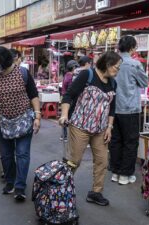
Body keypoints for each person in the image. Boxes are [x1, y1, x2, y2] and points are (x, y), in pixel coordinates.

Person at [59, 51, 122, 207]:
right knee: (74, 161)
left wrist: (109, 127)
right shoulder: (87, 75)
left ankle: (96, 192)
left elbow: (112, 107)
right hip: (80, 125)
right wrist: (64, 115)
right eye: (116, 67)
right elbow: (69, 95)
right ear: (107, 64)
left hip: (100, 129)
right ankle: (61, 190)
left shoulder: (113, 83)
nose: (117, 70)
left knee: (102, 161)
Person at [0, 46, 41, 201]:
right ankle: (10, 181)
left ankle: (20, 186)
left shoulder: (23, 73)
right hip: (2, 122)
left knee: (22, 154)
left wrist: (38, 116)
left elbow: (33, 95)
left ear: (5, 60)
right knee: (6, 156)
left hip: (24, 120)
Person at [109, 36, 148, 185]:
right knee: (130, 142)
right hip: (130, 108)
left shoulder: (112, 62)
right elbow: (144, 82)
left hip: (114, 108)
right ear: (132, 48)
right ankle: (125, 174)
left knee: (116, 140)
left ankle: (116, 172)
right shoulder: (135, 64)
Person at [60, 60, 79, 142]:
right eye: (76, 67)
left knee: (65, 115)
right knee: (69, 116)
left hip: (64, 97)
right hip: (68, 99)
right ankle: (67, 136)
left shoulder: (67, 75)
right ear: (73, 67)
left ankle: (63, 135)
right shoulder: (70, 76)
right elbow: (71, 89)